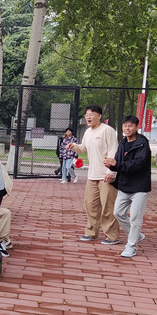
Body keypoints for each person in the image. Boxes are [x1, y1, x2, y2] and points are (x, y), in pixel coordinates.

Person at [68, 105, 120, 244]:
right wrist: (74, 147)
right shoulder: (88, 132)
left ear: (99, 116)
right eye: (86, 115)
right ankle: (91, 233)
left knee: (108, 207)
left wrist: (110, 172)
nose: (88, 117)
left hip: (106, 176)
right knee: (90, 205)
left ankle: (112, 236)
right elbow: (84, 147)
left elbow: (113, 151)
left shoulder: (107, 130)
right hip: (92, 175)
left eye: (91, 114)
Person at [105, 115, 152, 258]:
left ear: (136, 127)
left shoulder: (142, 144)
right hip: (124, 185)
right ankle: (136, 235)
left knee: (135, 219)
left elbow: (138, 165)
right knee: (118, 213)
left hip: (140, 187)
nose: (127, 128)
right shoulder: (122, 143)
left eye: (130, 126)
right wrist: (110, 166)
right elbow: (118, 162)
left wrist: (116, 164)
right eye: (125, 126)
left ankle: (131, 246)